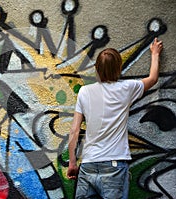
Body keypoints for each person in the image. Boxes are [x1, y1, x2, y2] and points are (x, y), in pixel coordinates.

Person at [67, 38, 163, 199]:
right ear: (119, 67)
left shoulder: (84, 91)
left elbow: (74, 130)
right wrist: (155, 53)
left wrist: (72, 162)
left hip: (88, 164)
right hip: (114, 166)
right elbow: (153, 79)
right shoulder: (127, 88)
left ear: (97, 68)